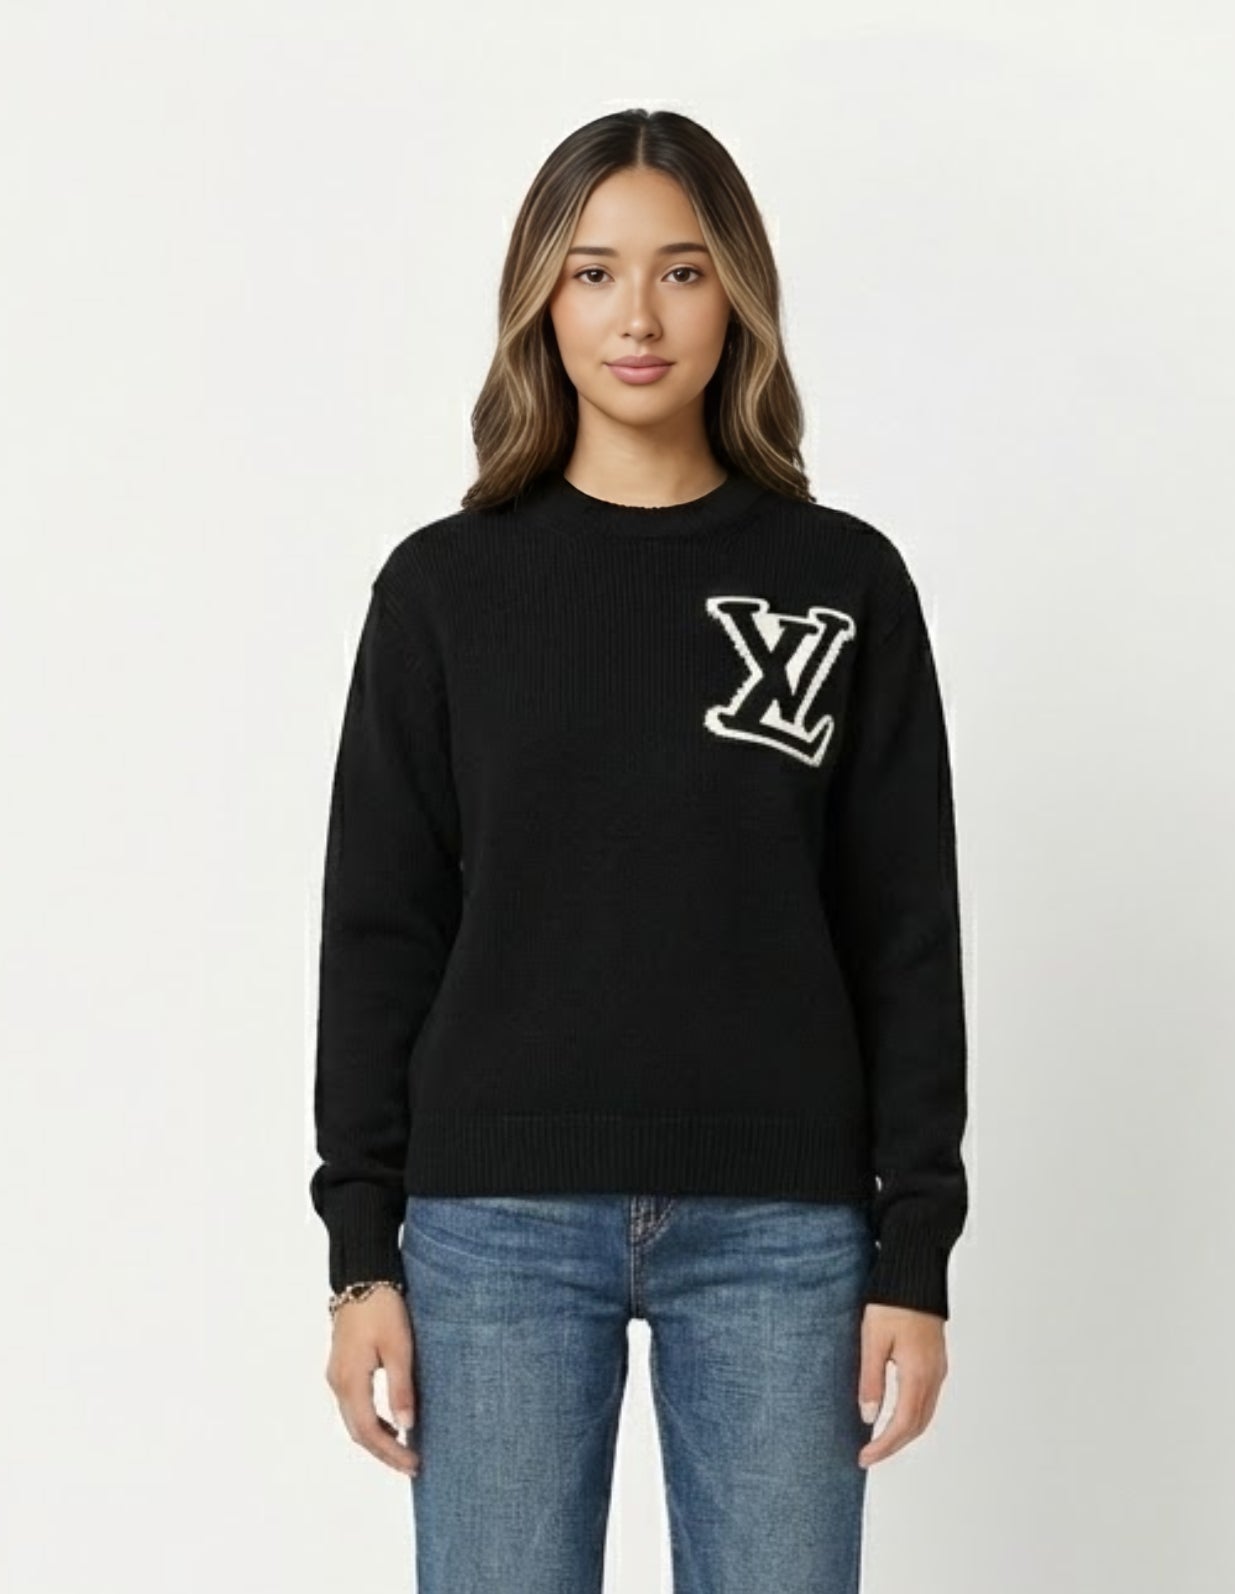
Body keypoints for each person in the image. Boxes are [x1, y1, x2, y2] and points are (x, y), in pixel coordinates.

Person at [310, 106, 969, 1593]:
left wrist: (915, 1253)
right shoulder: (444, 591)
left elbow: (904, 929)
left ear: (738, 294)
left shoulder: (842, 582)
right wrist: (360, 1256)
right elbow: (380, 930)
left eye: (682, 270)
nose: (639, 317)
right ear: (541, 299)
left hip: (784, 1228)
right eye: (594, 271)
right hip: (494, 1227)